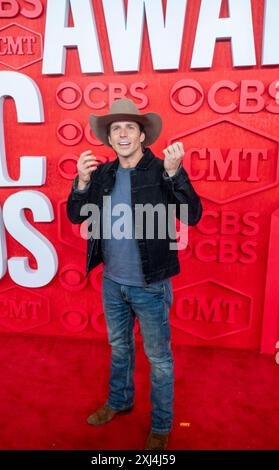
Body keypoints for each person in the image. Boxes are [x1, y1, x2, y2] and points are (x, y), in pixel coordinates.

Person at [66, 98, 203, 450]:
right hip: (112, 282)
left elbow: (192, 216)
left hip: (151, 284)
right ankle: (119, 402)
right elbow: (78, 217)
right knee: (119, 347)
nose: (122, 134)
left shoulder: (161, 169)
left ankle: (161, 425)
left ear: (142, 135)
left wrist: (176, 174)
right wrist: (81, 182)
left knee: (158, 359)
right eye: (116, 129)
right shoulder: (103, 174)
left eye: (130, 127)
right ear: (109, 140)